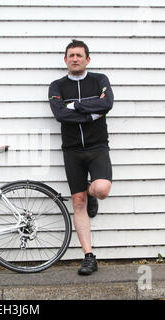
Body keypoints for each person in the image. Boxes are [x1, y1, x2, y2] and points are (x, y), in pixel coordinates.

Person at [48, 40, 114, 275]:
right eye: (71, 55)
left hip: (97, 147)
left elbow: (107, 103)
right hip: (72, 150)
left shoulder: (100, 80)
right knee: (78, 203)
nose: (75, 58)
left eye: (79, 55)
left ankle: (91, 190)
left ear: (87, 59)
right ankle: (89, 256)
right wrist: (91, 113)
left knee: (103, 189)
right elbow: (59, 114)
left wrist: (74, 106)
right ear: (65, 60)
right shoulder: (57, 85)